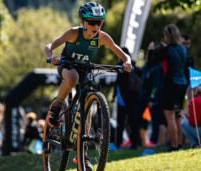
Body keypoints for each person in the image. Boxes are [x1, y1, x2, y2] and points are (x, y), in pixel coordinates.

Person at [44, 2, 132, 169]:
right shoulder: (73, 33)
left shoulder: (102, 37)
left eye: (99, 22)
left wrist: (127, 62)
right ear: (83, 21)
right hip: (67, 65)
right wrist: (51, 57)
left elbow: (123, 54)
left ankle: (81, 155)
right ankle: (56, 108)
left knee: (88, 105)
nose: (96, 26)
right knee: (73, 77)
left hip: (85, 68)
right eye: (92, 22)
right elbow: (49, 46)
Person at [148, 24, 187, 152]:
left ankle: (174, 146)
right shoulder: (182, 48)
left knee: (170, 116)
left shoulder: (166, 50)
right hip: (182, 84)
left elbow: (151, 62)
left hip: (170, 85)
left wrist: (151, 49)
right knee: (178, 115)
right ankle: (180, 145)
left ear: (167, 36)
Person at [111, 47, 141, 149]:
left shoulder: (122, 65)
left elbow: (117, 82)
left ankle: (118, 144)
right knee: (133, 121)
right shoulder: (134, 65)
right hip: (134, 97)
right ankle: (135, 144)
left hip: (123, 98)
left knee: (121, 122)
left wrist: (114, 95)